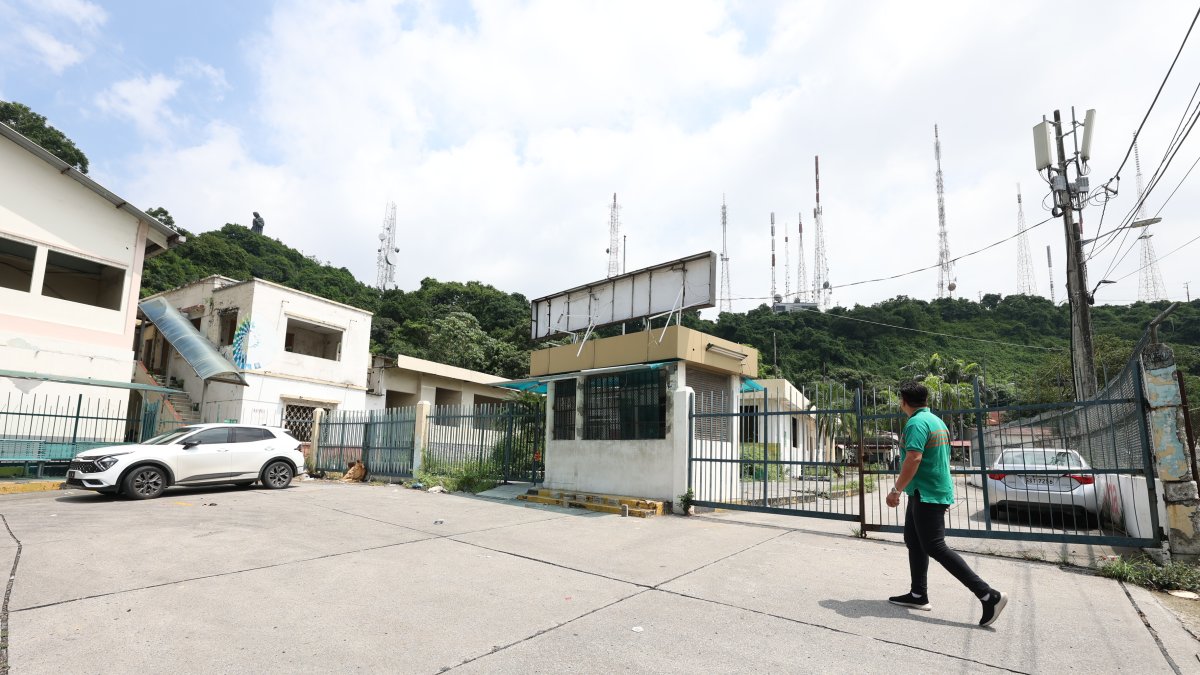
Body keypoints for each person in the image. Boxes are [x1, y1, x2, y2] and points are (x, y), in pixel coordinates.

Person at [886, 380, 1008, 627]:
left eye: (900, 400)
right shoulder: (936, 421)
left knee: (935, 546)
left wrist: (895, 489)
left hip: (927, 493)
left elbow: (914, 457)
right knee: (914, 540)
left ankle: (988, 595)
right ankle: (918, 594)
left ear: (904, 401)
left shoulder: (916, 423)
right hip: (924, 491)